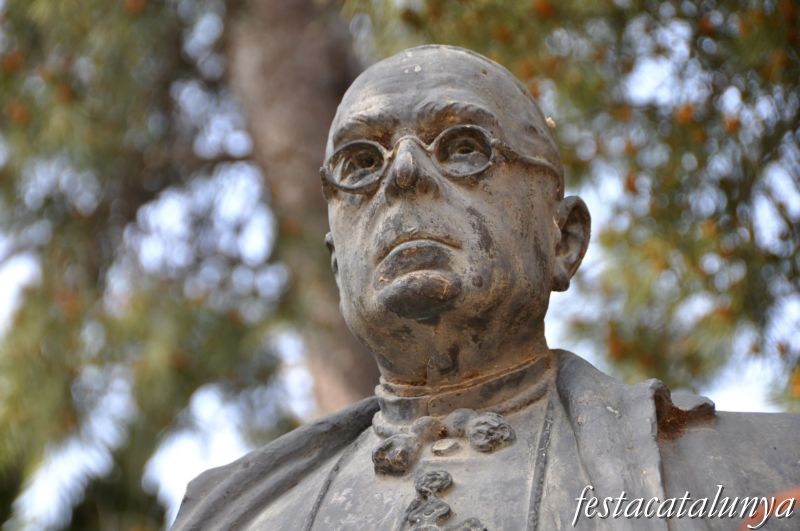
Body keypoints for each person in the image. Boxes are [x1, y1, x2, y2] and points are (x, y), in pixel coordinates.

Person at [172, 45, 799, 531]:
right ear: (337, 259)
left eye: (464, 147)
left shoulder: (764, 473)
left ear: (564, 241)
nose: (406, 174)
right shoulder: (232, 514)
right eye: (361, 163)